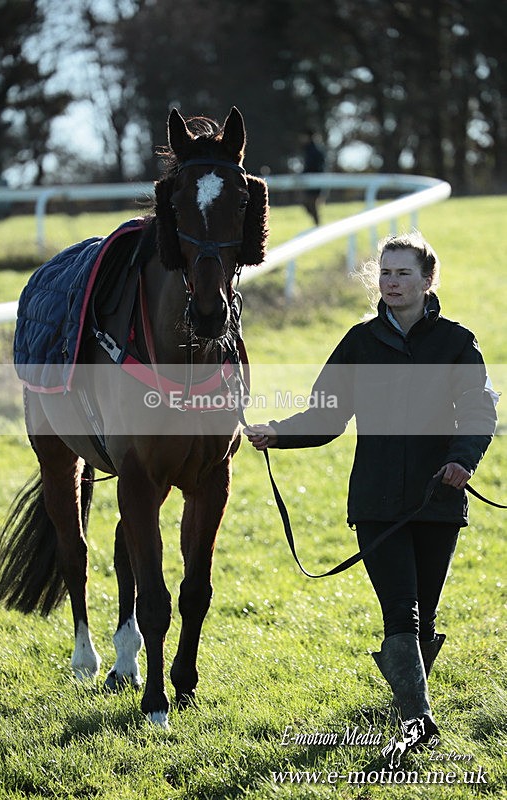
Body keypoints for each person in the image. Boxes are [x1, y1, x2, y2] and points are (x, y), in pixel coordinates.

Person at [245, 231, 498, 751]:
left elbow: (479, 407)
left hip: (438, 499)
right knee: (400, 611)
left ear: (428, 281)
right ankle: (418, 723)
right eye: (385, 272)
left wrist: (461, 460)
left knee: (425, 613)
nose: (392, 282)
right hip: (378, 501)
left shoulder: (456, 341)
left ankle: (409, 702)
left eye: (403, 273)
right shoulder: (359, 343)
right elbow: (327, 414)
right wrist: (278, 431)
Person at [299, 129, 326, 226]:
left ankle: (318, 226)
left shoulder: (314, 150)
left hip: (315, 182)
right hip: (312, 181)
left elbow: (313, 166)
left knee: (310, 204)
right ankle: (317, 225)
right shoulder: (310, 149)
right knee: (308, 204)